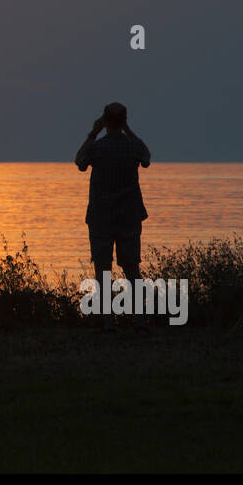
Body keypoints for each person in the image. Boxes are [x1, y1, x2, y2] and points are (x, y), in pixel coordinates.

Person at [75, 102, 150, 326]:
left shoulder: (97, 147)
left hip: (101, 217)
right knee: (132, 268)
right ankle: (140, 319)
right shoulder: (133, 146)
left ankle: (108, 321)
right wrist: (128, 130)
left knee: (103, 269)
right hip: (129, 215)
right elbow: (146, 157)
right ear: (124, 121)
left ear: (105, 121)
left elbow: (79, 161)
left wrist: (93, 132)